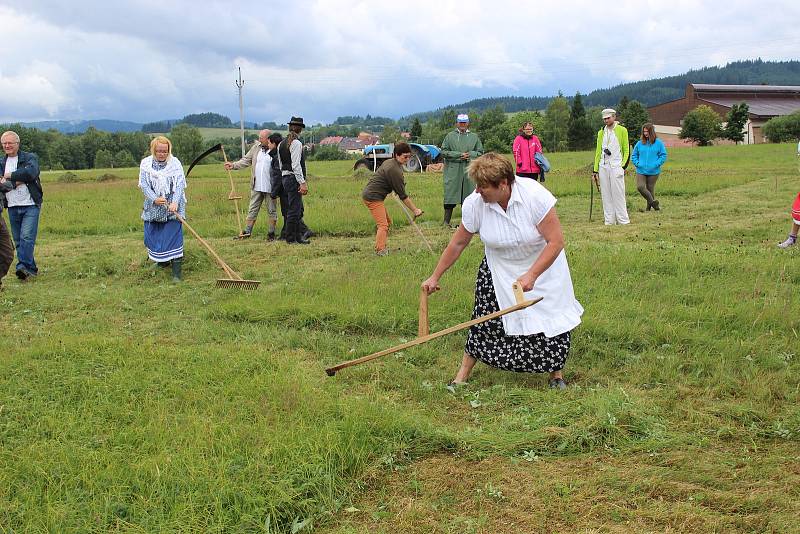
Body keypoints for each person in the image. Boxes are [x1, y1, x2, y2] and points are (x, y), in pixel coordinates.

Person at [421, 153, 583, 390]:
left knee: (551, 318)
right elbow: (458, 243)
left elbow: (556, 242)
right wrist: (435, 275)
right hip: (498, 269)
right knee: (484, 322)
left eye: (483, 186)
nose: (478, 191)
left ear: (504, 184)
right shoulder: (476, 204)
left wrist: (532, 275)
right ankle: (462, 376)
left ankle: (556, 375)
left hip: (543, 267)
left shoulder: (534, 196)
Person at [361, 142, 424, 256]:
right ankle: (380, 250)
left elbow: (394, 185)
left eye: (409, 157)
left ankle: (381, 245)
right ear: (397, 155)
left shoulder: (391, 163)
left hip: (373, 195)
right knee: (383, 225)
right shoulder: (393, 169)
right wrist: (415, 210)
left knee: (387, 222)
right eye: (405, 157)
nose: (407, 159)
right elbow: (403, 196)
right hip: (373, 197)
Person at [138, 136, 187, 282]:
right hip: (154, 205)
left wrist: (175, 202)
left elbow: (179, 185)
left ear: (168, 151)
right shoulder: (146, 164)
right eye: (159, 151)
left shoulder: (175, 163)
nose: (162, 154)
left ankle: (176, 273)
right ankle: (161, 262)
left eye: (165, 151)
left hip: (172, 205)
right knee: (153, 235)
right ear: (154, 150)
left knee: (172, 237)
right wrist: (154, 198)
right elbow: (144, 185)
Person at [1, 130, 43, 281]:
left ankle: (21, 267)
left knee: (26, 237)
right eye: (4, 143)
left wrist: (8, 176)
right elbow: (3, 184)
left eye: (10, 143)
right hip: (12, 205)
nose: (7, 146)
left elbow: (31, 173)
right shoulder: (1, 162)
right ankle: (30, 269)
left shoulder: (29, 158)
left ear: (17, 144)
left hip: (30, 203)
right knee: (18, 240)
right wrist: (19, 179)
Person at [225, 129, 278, 240]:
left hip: (270, 187)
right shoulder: (256, 148)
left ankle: (271, 234)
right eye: (259, 137)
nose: (259, 140)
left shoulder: (275, 149)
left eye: (261, 138)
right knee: (252, 209)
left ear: (268, 138)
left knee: (272, 210)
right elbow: (246, 160)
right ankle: (247, 232)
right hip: (256, 185)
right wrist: (233, 165)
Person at [441, 113, 483, 227]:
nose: (462, 125)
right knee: (450, 194)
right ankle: (446, 222)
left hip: (469, 170)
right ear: (457, 123)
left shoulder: (474, 137)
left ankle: (467, 223)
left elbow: (480, 152)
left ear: (468, 123)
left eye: (464, 122)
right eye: (460, 122)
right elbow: (443, 151)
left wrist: (469, 154)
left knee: (469, 196)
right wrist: (458, 155)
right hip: (453, 171)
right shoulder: (450, 136)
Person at [592, 108, 630, 225]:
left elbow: (626, 149)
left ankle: (623, 220)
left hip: (616, 165)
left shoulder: (622, 130)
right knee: (606, 194)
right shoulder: (601, 132)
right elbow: (598, 151)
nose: (606, 120)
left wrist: (623, 167)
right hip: (603, 166)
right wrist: (595, 170)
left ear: (614, 117)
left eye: (608, 118)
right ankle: (609, 220)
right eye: (604, 119)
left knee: (618, 193)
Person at [277, 117, 311, 244]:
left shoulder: (281, 144)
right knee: (294, 210)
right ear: (300, 129)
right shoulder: (296, 143)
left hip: (285, 177)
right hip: (293, 178)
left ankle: (297, 237)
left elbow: (281, 165)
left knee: (295, 209)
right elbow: (296, 165)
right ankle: (291, 239)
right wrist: (302, 182)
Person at [631, 123, 667, 212]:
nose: (645, 133)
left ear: (651, 132)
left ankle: (648, 208)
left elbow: (663, 155)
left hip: (654, 171)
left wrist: (656, 164)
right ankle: (654, 204)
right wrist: (638, 163)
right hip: (641, 170)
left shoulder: (659, 143)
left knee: (650, 189)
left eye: (647, 131)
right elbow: (634, 155)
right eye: (644, 132)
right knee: (640, 187)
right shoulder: (639, 143)